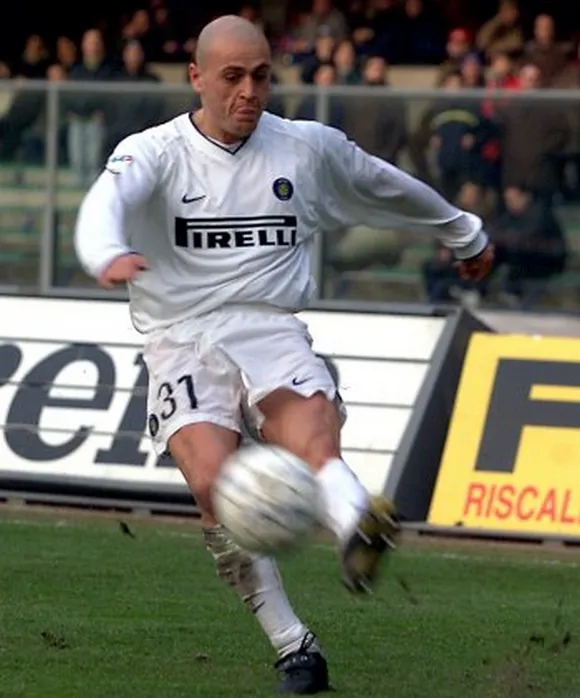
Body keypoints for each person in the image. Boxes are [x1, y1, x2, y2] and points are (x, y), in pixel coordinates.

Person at [74, 15, 494, 694]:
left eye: (261, 76)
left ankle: (357, 527)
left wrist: (464, 232)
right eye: (232, 77)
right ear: (196, 78)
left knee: (312, 438)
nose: (248, 91)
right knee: (213, 484)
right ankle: (294, 645)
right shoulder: (154, 152)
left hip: (269, 324)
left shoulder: (304, 147)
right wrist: (105, 252)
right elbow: (106, 202)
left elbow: (385, 183)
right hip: (180, 336)